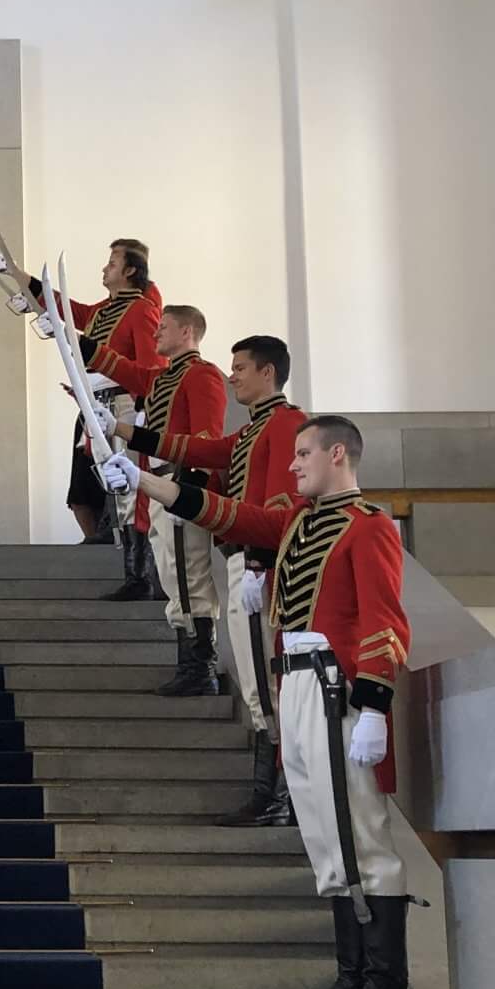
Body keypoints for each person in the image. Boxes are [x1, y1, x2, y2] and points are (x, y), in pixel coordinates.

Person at [107, 417, 413, 989]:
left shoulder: (369, 526)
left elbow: (386, 620)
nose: (294, 465)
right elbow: (223, 513)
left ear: (338, 455)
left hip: (338, 689)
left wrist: (375, 707)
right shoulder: (298, 522)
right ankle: (351, 975)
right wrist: (144, 480)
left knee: (361, 835)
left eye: (304, 455)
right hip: (296, 681)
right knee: (326, 837)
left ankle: (386, 985)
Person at [162, 335, 307, 824]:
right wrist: (126, 435)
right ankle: (271, 791)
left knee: (265, 683)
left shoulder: (286, 423)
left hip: (258, 563)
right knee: (254, 684)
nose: (232, 376)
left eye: (241, 367)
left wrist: (262, 563)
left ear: (268, 372)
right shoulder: (253, 431)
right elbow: (216, 467)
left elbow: (281, 506)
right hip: (242, 559)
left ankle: (278, 796)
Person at [0, 239, 163, 561]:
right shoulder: (104, 310)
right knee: (83, 490)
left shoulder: (142, 310)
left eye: (113, 263)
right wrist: (18, 275)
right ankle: (105, 554)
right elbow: (70, 312)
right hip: (93, 404)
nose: (105, 267)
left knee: (123, 490)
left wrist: (145, 409)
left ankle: (134, 566)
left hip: (122, 405)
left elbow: (150, 368)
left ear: (130, 270)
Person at [111, 306, 228, 687]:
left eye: (164, 327)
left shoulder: (202, 374)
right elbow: (122, 369)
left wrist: (189, 488)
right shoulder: (163, 378)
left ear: (188, 331)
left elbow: (207, 438)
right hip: (160, 483)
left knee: (188, 575)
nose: (156, 334)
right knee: (171, 574)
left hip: (180, 484)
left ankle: (199, 668)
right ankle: (189, 663)